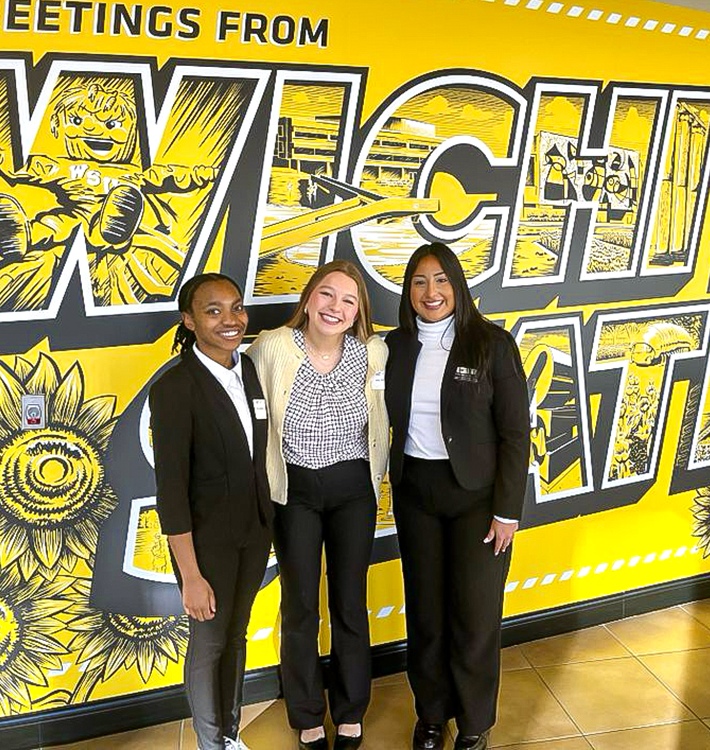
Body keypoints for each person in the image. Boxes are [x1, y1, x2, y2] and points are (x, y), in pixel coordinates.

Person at [385, 243, 531, 750]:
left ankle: (473, 724)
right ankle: (431, 716)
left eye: (442, 280)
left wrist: (507, 511)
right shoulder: (395, 347)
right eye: (420, 281)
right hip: (416, 494)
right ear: (408, 290)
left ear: (458, 285)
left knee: (474, 614)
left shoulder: (490, 343)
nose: (431, 292)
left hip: (476, 499)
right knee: (425, 614)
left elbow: (516, 434)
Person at [248, 260, 389, 750]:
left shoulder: (373, 354)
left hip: (354, 491)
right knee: (300, 606)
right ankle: (307, 715)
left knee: (350, 603)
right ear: (308, 300)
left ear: (358, 313)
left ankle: (351, 712)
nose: (336, 307)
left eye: (348, 301)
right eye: (327, 295)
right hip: (295, 494)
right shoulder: (272, 347)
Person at [150, 273, 273, 750]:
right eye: (213, 310)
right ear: (189, 320)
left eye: (236, 308)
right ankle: (209, 742)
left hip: (253, 531)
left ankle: (229, 732)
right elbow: (172, 492)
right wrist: (191, 575)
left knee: (236, 637)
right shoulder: (176, 388)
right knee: (209, 644)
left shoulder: (248, 371)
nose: (231, 320)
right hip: (206, 545)